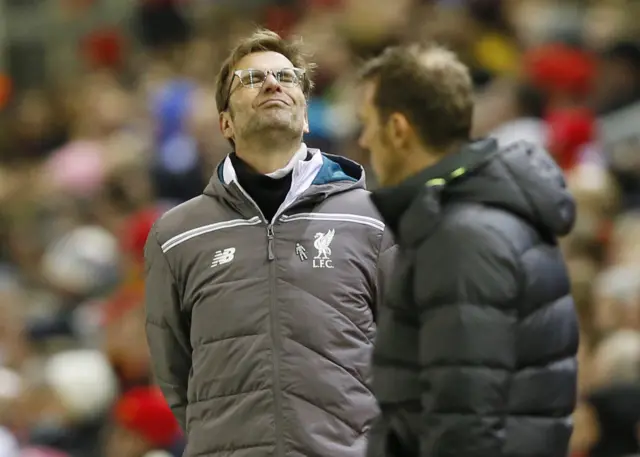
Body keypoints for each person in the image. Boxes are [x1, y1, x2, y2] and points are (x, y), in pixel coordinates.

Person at [144, 29, 395, 457]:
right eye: (252, 79)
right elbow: (175, 372)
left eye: (287, 76)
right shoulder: (176, 233)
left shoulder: (374, 218)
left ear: (306, 115)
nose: (274, 84)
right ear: (226, 122)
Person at [355, 43, 579, 457]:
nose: (364, 139)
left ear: (399, 129)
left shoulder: (461, 237)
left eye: (368, 123)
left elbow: (466, 417)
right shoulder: (474, 217)